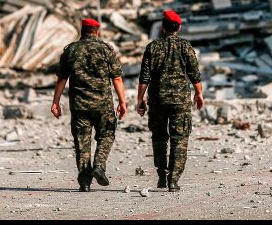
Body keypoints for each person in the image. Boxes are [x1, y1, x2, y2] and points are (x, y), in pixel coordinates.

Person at [51, 18, 127, 192]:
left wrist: (55, 102)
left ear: (82, 31)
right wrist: (122, 102)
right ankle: (99, 165)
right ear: (97, 32)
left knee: (81, 142)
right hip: (103, 104)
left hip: (79, 106)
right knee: (106, 134)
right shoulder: (106, 50)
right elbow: (117, 78)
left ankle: (84, 182)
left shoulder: (70, 50)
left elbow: (62, 79)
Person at [137, 10, 203, 192]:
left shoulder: (152, 47)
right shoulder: (185, 47)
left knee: (159, 138)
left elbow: (144, 77)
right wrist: (199, 94)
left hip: (158, 100)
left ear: (162, 27)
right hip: (180, 101)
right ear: (179, 27)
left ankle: (161, 176)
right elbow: (195, 75)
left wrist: (140, 99)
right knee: (179, 139)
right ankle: (173, 180)